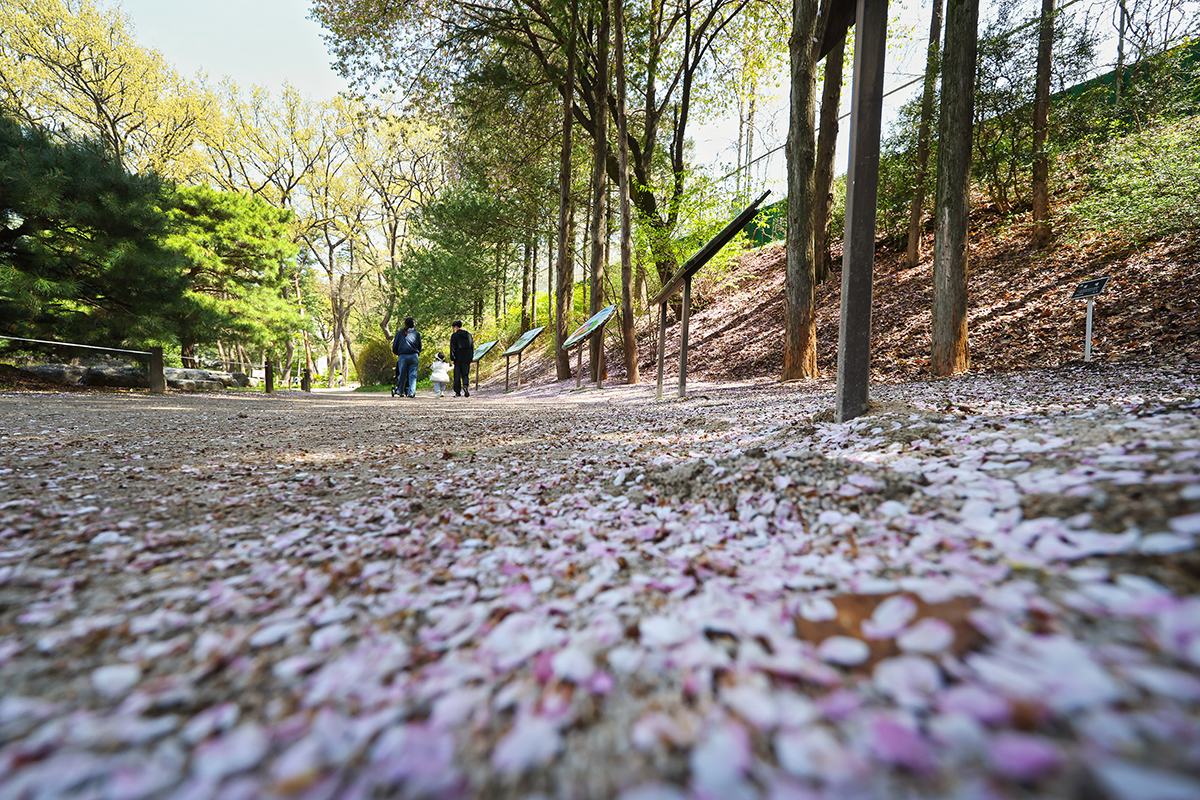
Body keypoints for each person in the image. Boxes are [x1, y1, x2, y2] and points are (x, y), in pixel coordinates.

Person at [391, 317, 421, 398]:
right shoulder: (416, 334)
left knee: (402, 374)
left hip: (403, 355)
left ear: (405, 324)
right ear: (414, 325)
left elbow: (395, 346)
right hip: (414, 355)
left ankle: (400, 391)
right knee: (413, 375)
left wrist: (397, 353)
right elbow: (419, 346)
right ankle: (411, 392)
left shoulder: (400, 333)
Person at [449, 320, 474, 397]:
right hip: (467, 357)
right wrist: (471, 356)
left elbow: (452, 347)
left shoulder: (454, 336)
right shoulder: (468, 335)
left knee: (457, 375)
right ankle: (466, 386)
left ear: (456, 327)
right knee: (465, 374)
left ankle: (457, 392)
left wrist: (452, 358)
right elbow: (471, 346)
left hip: (458, 357)